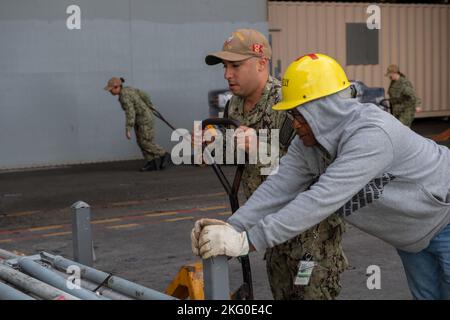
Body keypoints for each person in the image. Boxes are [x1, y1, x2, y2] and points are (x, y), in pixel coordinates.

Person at [192, 53, 450, 300]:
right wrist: (230, 227)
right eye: (291, 115)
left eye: (299, 114)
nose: (294, 124)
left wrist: (247, 241)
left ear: (324, 110)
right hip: (411, 233)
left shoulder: (372, 135)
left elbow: (320, 199)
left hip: (444, 217)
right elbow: (278, 188)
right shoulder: (308, 145)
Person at [200, 30, 348, 300]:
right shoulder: (233, 107)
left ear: (261, 63)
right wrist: (212, 148)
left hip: (310, 234)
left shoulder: (290, 101)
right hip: (267, 228)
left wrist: (261, 147)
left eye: (235, 65)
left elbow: (317, 166)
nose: (227, 74)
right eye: (225, 67)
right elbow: (240, 157)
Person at [104, 77, 170, 171]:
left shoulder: (124, 96)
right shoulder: (128, 89)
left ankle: (164, 154)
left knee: (145, 141)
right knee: (140, 141)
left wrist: (128, 128)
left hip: (144, 119)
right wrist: (150, 105)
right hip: (141, 118)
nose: (110, 92)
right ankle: (151, 162)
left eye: (111, 89)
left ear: (117, 87)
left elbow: (130, 112)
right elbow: (144, 94)